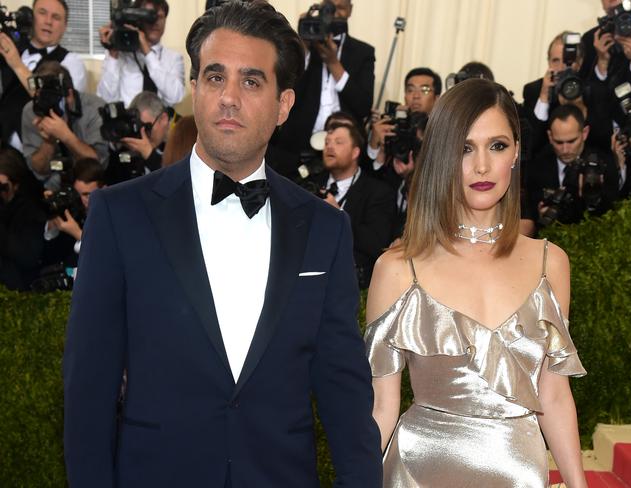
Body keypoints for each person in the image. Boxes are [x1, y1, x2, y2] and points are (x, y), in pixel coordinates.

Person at [63, 2, 382, 487]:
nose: (229, 97)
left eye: (251, 81)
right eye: (215, 77)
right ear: (195, 89)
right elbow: (89, 390)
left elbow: (342, 387)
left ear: (284, 105)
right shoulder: (120, 215)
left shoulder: (324, 228)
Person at [365, 79, 587, 487]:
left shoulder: (550, 263)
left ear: (517, 152)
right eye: (464, 148)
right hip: (416, 471)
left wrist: (578, 484)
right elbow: (382, 407)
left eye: (497, 146)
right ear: (440, 156)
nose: (482, 166)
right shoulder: (398, 268)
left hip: (519, 472)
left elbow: (553, 398)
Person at [271, 0, 375, 171]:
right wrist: (302, 46)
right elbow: (288, 90)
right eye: (328, 9)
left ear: (350, 11)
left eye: (339, 8)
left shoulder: (363, 52)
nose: (333, 15)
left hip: (344, 149)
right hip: (298, 145)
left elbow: (363, 106)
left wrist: (334, 64)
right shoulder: (305, 47)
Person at [317, 121, 395, 288]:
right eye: (327, 142)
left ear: (355, 152)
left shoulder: (378, 191)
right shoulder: (310, 184)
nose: (330, 147)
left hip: (352, 286)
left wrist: (340, 216)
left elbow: (376, 244)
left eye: (338, 142)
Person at [0, 0, 87, 149]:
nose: (48, 21)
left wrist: (17, 65)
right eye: (42, 13)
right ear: (31, 17)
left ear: (65, 27)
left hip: (41, 152)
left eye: (56, 17)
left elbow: (59, 105)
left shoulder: (71, 62)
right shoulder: (12, 50)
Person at [21, 61, 108, 191]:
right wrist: (48, 142)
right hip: (51, 189)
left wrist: (66, 136)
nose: (46, 103)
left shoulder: (95, 108)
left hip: (89, 190)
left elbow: (99, 165)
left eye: (52, 97)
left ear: (70, 95)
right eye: (41, 97)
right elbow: (38, 170)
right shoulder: (32, 111)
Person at [96, 0, 184, 108]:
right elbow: (106, 98)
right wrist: (113, 55)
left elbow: (176, 97)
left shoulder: (174, 58)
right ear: (137, 19)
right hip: (127, 122)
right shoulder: (121, 56)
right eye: (149, 16)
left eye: (160, 17)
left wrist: (148, 52)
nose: (156, 22)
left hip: (161, 123)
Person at [0, 148, 46, 290]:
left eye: (3, 186)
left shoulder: (31, 210)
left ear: (16, 184)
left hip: (19, 288)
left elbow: (27, 257)